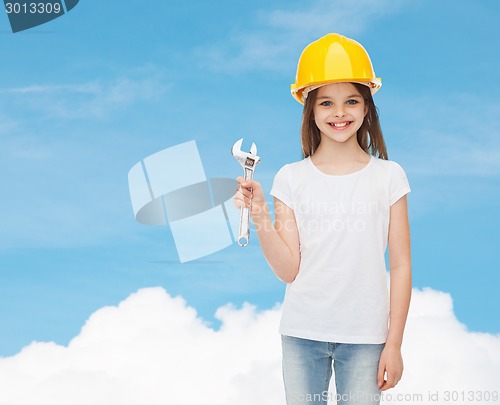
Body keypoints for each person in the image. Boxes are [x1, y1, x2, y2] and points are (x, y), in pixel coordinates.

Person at [234, 33, 411, 405]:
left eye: (351, 101)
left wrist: (394, 344)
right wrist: (259, 214)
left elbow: (401, 264)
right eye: (326, 103)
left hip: (367, 338)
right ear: (310, 110)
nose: (339, 112)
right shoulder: (290, 178)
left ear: (367, 108)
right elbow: (288, 269)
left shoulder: (389, 177)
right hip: (302, 334)